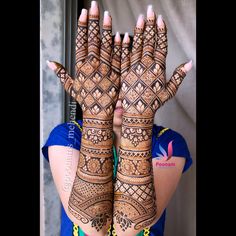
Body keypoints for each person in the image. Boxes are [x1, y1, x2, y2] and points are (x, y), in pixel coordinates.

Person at [42, 1, 193, 236]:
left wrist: (138, 121)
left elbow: (128, 229)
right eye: (111, 81)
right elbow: (92, 227)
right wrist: (96, 120)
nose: (121, 94)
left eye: (131, 84)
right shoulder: (67, 135)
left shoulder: (168, 144)